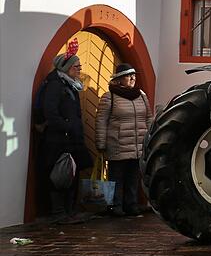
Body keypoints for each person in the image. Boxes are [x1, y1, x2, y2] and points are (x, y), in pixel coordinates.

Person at [40, 39, 94, 223]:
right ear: (67, 68)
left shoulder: (70, 84)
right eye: (76, 66)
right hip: (59, 140)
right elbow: (50, 111)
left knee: (72, 174)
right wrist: (66, 126)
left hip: (71, 139)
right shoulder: (56, 85)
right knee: (59, 176)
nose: (79, 69)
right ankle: (59, 213)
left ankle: (70, 211)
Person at [95, 63, 153, 216]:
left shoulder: (141, 95)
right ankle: (115, 206)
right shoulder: (110, 96)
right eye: (128, 75)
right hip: (118, 143)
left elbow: (148, 117)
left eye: (134, 75)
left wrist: (150, 138)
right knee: (117, 176)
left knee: (133, 176)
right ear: (119, 79)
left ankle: (131, 204)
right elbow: (102, 121)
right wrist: (101, 143)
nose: (133, 78)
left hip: (138, 144)